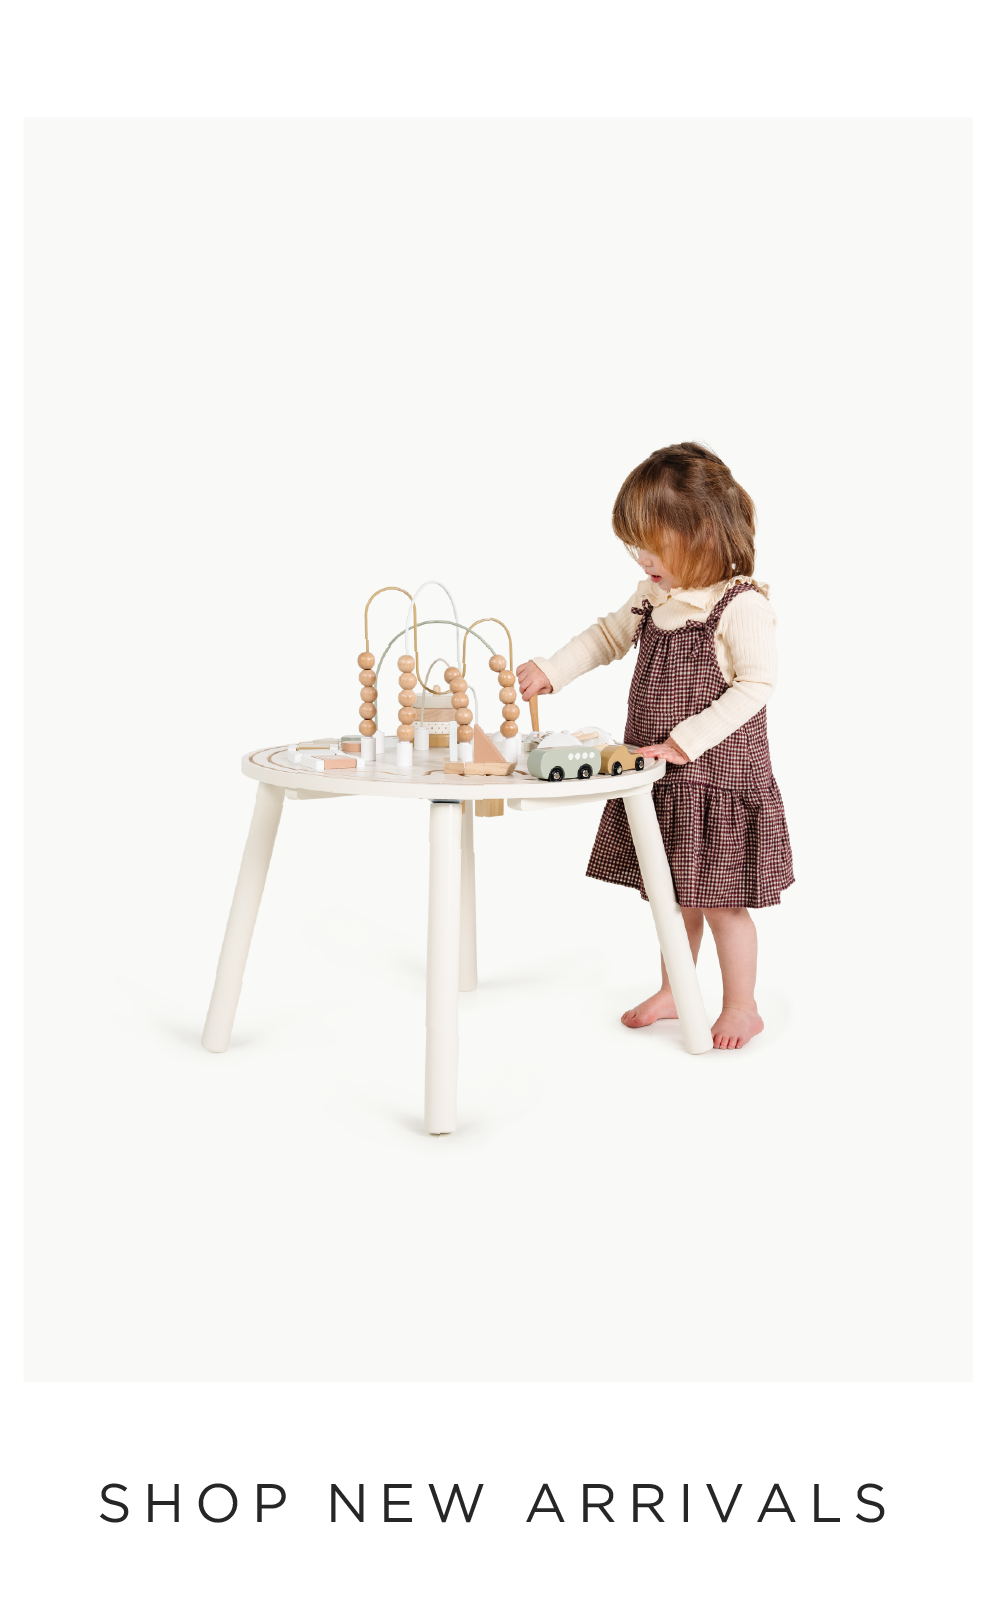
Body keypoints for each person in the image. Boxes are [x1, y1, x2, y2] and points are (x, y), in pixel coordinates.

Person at [516, 442, 793, 1051]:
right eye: (632, 545)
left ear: (707, 534)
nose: (642, 559)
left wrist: (683, 741)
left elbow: (757, 686)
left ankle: (742, 1005)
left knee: (721, 903)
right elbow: (607, 636)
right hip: (661, 778)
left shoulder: (739, 604)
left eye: (654, 543)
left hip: (717, 781)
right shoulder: (652, 598)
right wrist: (551, 670)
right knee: (670, 898)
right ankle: (675, 988)